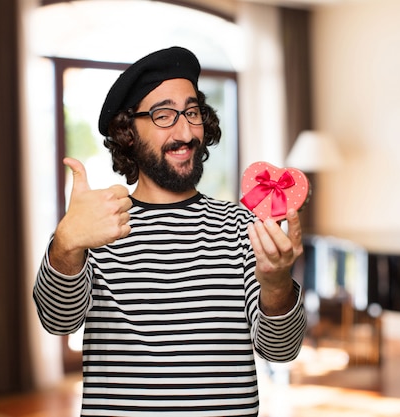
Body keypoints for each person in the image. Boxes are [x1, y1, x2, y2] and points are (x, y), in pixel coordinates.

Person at [33, 46, 306, 417]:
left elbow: (281, 351)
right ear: (129, 132)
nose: (185, 130)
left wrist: (276, 286)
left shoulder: (243, 226)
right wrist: (66, 244)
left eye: (192, 112)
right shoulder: (96, 227)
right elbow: (56, 319)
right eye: (164, 115)